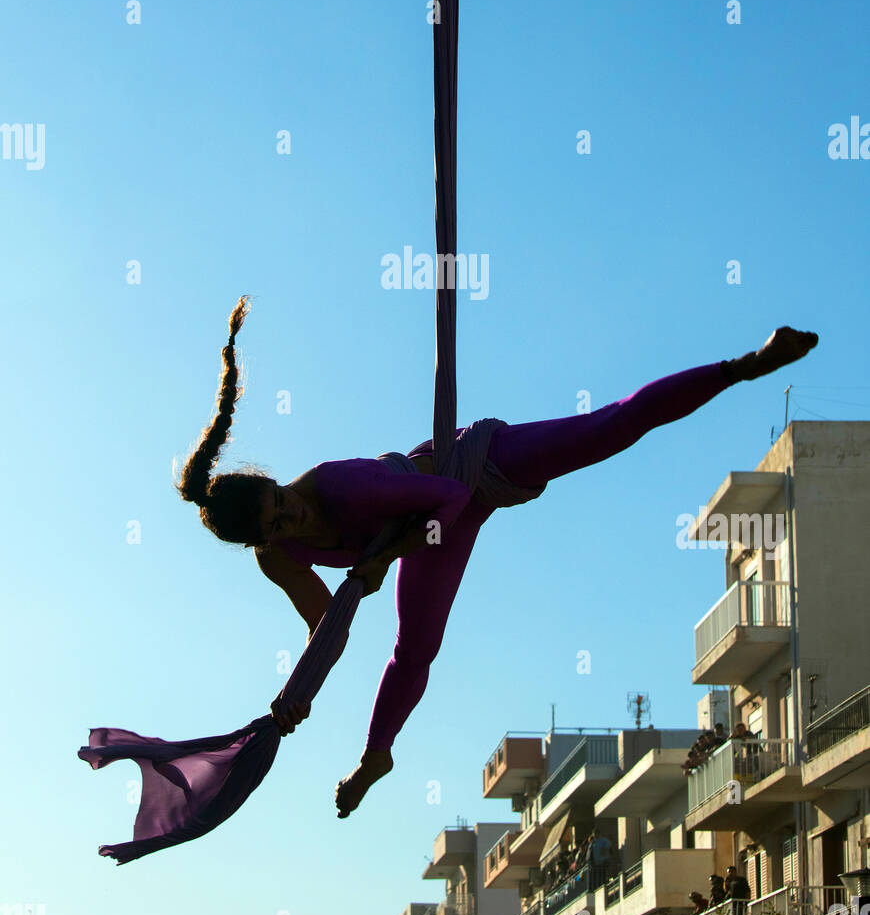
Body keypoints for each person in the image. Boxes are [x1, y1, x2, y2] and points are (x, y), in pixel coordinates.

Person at [175, 301, 818, 818]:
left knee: (607, 429)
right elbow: (330, 625)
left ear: (275, 482)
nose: (294, 517)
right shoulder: (278, 558)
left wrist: (379, 561)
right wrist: (298, 693)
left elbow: (452, 496)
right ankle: (377, 756)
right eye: (278, 525)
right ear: (260, 543)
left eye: (281, 500)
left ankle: (744, 364)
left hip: (471, 472)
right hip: (428, 533)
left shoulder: (340, 486)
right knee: (414, 651)